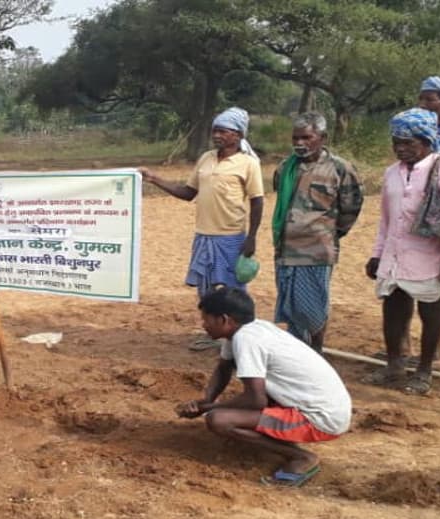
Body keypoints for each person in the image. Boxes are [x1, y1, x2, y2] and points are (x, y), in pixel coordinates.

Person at [175, 287, 351, 487]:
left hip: (322, 419)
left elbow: (255, 400)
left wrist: (207, 409)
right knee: (225, 410)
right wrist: (206, 399)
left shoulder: (246, 339)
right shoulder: (248, 330)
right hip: (324, 406)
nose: (203, 325)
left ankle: (301, 457)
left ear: (224, 320)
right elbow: (224, 367)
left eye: (206, 319)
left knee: (219, 420)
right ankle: (280, 441)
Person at [363, 108, 440, 395]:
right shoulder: (391, 174)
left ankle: (424, 370)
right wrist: (377, 254)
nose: (401, 148)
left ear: (426, 141)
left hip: (431, 257)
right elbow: (386, 220)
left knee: (432, 313)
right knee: (393, 311)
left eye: (408, 142)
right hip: (396, 255)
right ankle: (394, 365)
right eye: (396, 142)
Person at [140, 107, 265, 351]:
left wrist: (251, 238)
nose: (217, 135)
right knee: (206, 290)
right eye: (215, 130)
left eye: (223, 131)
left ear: (238, 135)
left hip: (231, 237)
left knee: (232, 290)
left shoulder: (248, 164)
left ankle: (241, 338)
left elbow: (257, 201)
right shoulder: (206, 158)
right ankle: (214, 334)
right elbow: (188, 193)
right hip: (204, 236)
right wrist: (154, 178)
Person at [271, 112, 364, 352]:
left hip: (316, 251)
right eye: (295, 138)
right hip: (285, 250)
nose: (300, 143)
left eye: (306, 137)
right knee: (291, 306)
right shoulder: (285, 168)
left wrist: (331, 233)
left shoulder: (339, 168)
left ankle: (316, 352)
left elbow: (351, 206)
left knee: (313, 309)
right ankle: (297, 352)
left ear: (322, 138)